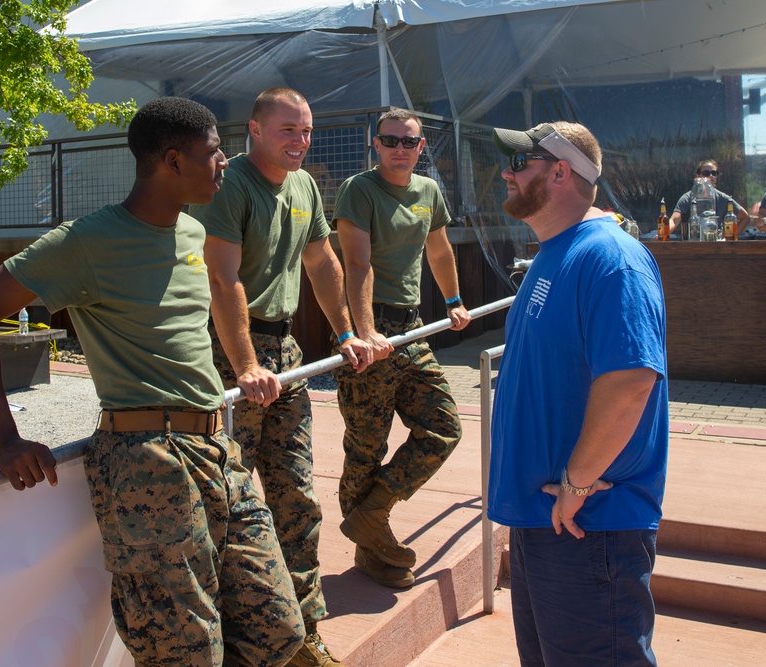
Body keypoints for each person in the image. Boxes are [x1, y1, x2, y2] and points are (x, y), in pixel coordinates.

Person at [0, 97, 305, 667]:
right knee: (185, 652)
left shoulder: (193, 232)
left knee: (278, 631)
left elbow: (219, 298)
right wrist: (5, 439)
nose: (224, 164)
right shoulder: (88, 242)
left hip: (217, 449)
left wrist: (245, 366)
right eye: (213, 153)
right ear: (172, 160)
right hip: (147, 462)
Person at [190, 87, 370, 667]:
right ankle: (236, 638)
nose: (301, 141)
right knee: (228, 501)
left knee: (295, 495)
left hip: (286, 353)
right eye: (289, 130)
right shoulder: (232, 185)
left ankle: (302, 633)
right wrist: (243, 365)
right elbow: (222, 279)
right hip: (228, 349)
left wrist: (346, 334)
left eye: (308, 131)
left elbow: (321, 261)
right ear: (257, 130)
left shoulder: (305, 186)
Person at [487, 121, 668, 665]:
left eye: (520, 163)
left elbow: (632, 379)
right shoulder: (555, 252)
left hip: (589, 525)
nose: (506, 172)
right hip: (546, 519)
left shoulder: (611, 257)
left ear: (561, 172)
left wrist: (576, 482)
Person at [331, 107, 470, 589]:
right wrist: (365, 332)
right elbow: (356, 261)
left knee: (444, 427)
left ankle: (372, 512)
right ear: (375, 144)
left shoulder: (428, 191)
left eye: (408, 142)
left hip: (410, 331)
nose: (399, 149)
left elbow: (439, 249)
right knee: (366, 447)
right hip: (370, 331)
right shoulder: (359, 190)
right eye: (390, 140)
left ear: (421, 147)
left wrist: (453, 301)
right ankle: (371, 547)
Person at [667, 159, 750, 237]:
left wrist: (729, 237)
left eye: (714, 173)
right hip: (693, 244)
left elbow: (745, 217)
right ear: (698, 175)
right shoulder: (687, 198)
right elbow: (674, 220)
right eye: (706, 173)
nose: (711, 176)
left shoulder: (723, 198)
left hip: (716, 245)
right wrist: (665, 234)